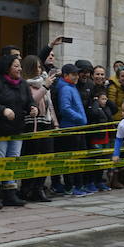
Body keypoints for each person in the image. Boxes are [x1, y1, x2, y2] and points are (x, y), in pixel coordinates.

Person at [0, 55, 38, 209]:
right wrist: (2, 110)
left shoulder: (22, 83)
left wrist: (32, 108)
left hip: (16, 129)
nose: (20, 69)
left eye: (20, 66)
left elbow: (28, 101)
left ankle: (10, 193)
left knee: (13, 159)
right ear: (7, 67)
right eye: (16, 66)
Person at [20, 55, 57, 202]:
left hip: (45, 122)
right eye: (37, 66)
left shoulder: (43, 82)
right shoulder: (25, 84)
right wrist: (45, 86)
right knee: (32, 157)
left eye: (40, 66)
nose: (40, 69)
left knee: (47, 156)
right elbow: (32, 100)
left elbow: (50, 105)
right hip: (32, 123)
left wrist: (55, 123)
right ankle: (27, 188)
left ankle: (39, 188)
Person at [55, 64, 89, 196]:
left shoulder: (71, 87)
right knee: (72, 158)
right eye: (73, 74)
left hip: (76, 127)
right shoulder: (65, 88)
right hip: (70, 128)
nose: (76, 77)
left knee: (77, 157)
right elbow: (65, 108)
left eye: (77, 74)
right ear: (66, 75)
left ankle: (77, 185)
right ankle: (71, 186)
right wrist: (80, 118)